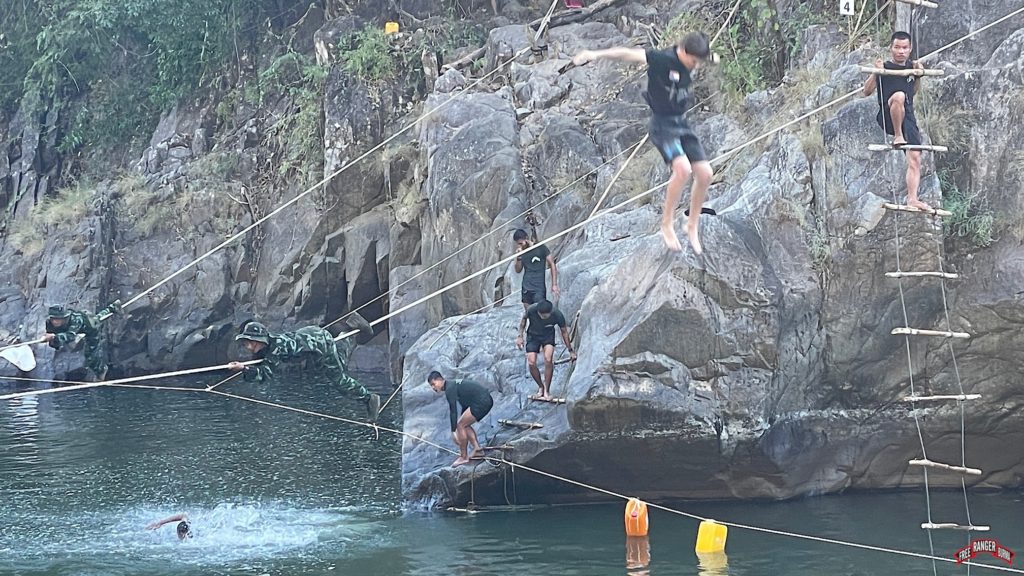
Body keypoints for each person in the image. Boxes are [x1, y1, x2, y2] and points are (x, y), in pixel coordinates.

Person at [573, 32, 715, 254]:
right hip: (662, 125)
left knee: (706, 174)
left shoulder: (693, 56)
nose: (695, 66)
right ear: (684, 53)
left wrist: (711, 58)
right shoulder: (662, 59)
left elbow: (705, 56)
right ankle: (666, 224)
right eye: (694, 61)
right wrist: (594, 53)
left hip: (682, 123)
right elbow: (627, 54)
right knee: (683, 170)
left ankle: (692, 225)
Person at [227, 314, 381, 421]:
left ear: (258, 340)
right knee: (339, 359)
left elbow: (265, 375)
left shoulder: (276, 348)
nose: (246, 346)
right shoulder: (269, 344)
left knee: (340, 380)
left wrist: (243, 369)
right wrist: (245, 367)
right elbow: (263, 363)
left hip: (318, 343)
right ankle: (351, 326)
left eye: (249, 342)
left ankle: (370, 398)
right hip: (311, 337)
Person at [862, 31, 930, 211]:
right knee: (898, 96)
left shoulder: (911, 66)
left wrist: (918, 75)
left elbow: (912, 92)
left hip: (907, 115)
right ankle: (898, 136)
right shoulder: (884, 67)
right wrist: (876, 72)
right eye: (897, 47)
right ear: (891, 48)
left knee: (915, 157)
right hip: (887, 115)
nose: (901, 51)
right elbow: (866, 91)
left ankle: (912, 198)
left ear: (910, 49)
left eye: (905, 48)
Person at [427, 371, 494, 467]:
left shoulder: (450, 388)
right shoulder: (453, 384)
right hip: (484, 400)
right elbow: (464, 404)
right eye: (431, 386)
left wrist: (454, 431)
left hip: (482, 401)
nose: (433, 388)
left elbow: (453, 410)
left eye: (434, 384)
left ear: (440, 379)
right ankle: (477, 450)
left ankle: (464, 456)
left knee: (460, 425)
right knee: (464, 424)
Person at [43, 300, 122, 381]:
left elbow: (71, 335)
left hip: (89, 326)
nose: (55, 321)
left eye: (58, 319)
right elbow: (52, 337)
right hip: (74, 329)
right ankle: (113, 306)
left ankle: (101, 370)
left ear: (63, 318)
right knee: (98, 317)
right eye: (53, 319)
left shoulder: (75, 320)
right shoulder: (49, 322)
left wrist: (55, 337)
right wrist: (51, 340)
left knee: (91, 356)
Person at [515, 299, 575, 400]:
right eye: (542, 315)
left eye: (546, 315)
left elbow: (564, 332)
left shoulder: (557, 314)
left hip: (548, 336)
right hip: (533, 336)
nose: (544, 317)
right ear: (538, 312)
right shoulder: (532, 310)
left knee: (548, 359)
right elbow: (523, 321)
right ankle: (540, 387)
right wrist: (520, 336)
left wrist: (570, 350)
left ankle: (547, 390)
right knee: (531, 362)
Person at [513, 229, 559, 310]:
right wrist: (519, 257)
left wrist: (554, 284)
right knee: (529, 313)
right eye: (518, 244)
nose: (520, 246)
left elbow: (552, 264)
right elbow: (518, 270)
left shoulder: (541, 248)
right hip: (526, 287)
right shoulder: (521, 252)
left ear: (526, 238)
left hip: (539, 287)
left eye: (521, 243)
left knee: (540, 310)